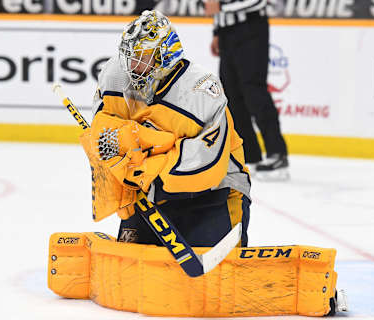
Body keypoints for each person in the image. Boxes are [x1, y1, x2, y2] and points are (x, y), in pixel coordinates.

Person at [89, 10, 251, 247]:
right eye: (129, 56)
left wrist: (146, 170)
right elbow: (104, 135)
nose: (132, 65)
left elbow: (206, 164)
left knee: (217, 278)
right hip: (147, 191)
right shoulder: (115, 76)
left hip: (216, 193)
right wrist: (125, 174)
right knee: (131, 270)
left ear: (165, 54)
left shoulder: (201, 90)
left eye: (142, 57)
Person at [204, 0, 289, 181]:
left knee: (254, 90)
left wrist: (222, 7)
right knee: (232, 96)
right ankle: (249, 156)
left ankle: (277, 153)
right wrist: (218, 30)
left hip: (250, 28)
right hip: (228, 31)